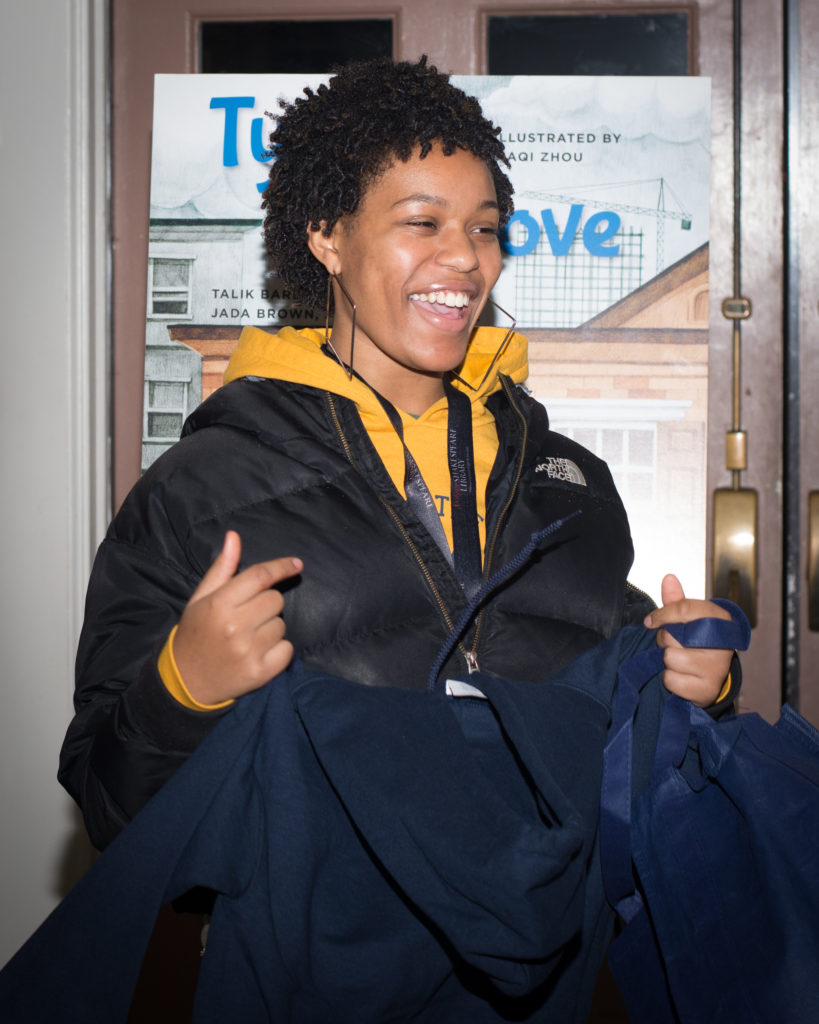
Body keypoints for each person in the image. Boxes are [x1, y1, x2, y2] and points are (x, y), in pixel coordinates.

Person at [58, 56, 736, 1019]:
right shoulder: (204, 489)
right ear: (326, 236)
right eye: (421, 223)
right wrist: (183, 686)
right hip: (309, 984)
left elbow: (624, 719)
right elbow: (108, 802)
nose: (464, 258)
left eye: (485, 229)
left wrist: (691, 677)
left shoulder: (571, 483)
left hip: (556, 984)